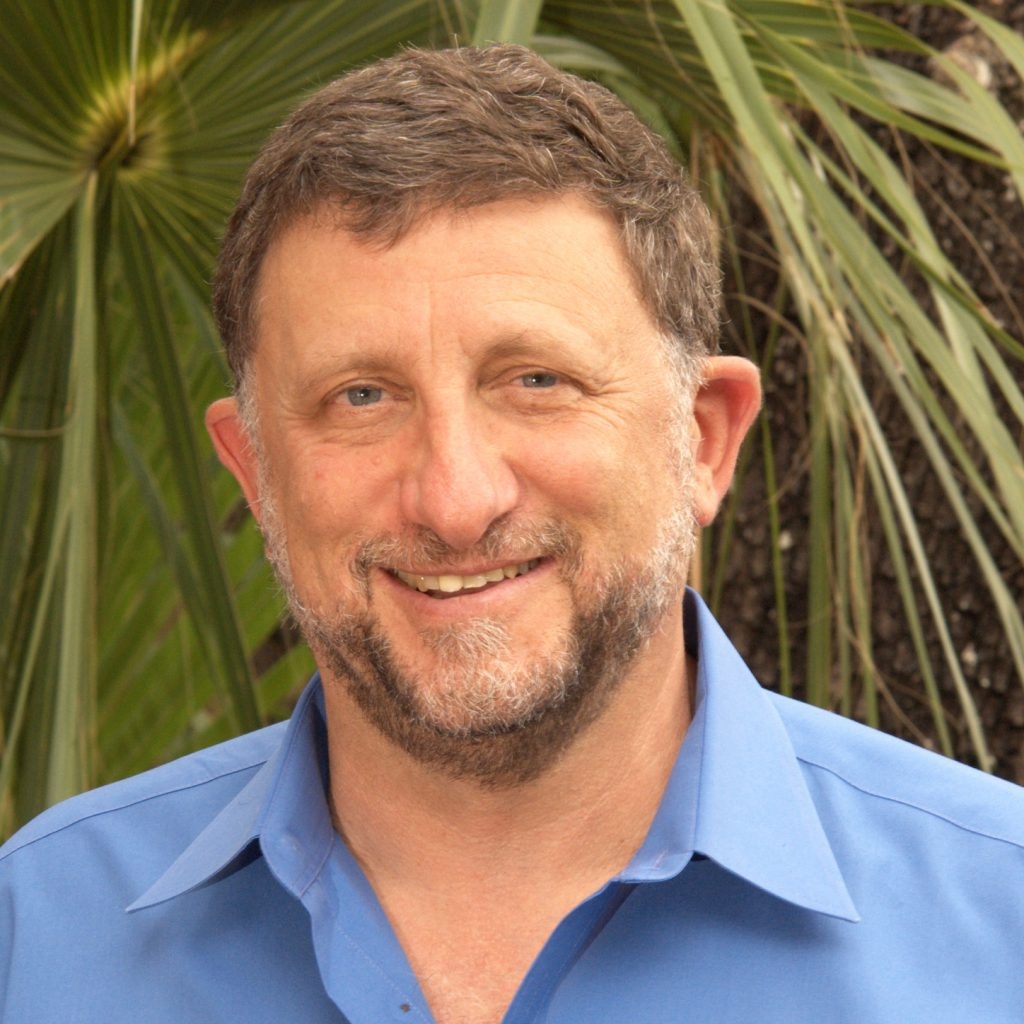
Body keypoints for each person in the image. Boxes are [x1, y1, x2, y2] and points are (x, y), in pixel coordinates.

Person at [2, 44, 1023, 1024]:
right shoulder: (37, 936)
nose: (456, 500)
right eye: (361, 396)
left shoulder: (997, 927)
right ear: (255, 473)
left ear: (703, 440)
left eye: (537, 381)